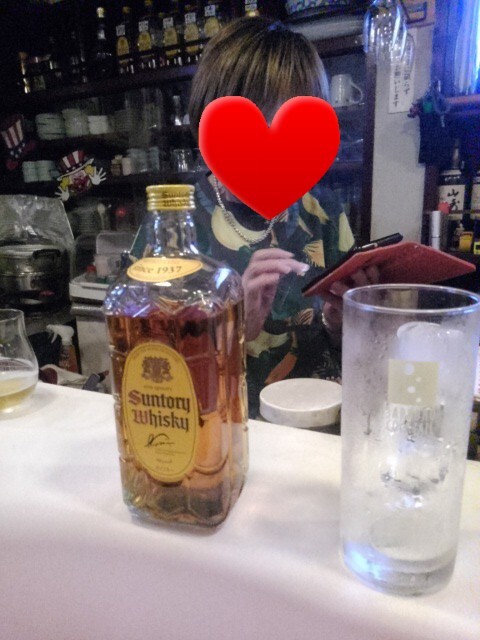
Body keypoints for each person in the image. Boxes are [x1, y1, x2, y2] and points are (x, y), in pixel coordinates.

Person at [187, 16, 379, 418]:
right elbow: (151, 367)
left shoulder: (324, 212)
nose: (271, 137)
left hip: (318, 426)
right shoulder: (175, 225)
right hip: (221, 430)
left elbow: (353, 354)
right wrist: (234, 332)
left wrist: (341, 322)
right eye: (254, 118)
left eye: (291, 120)